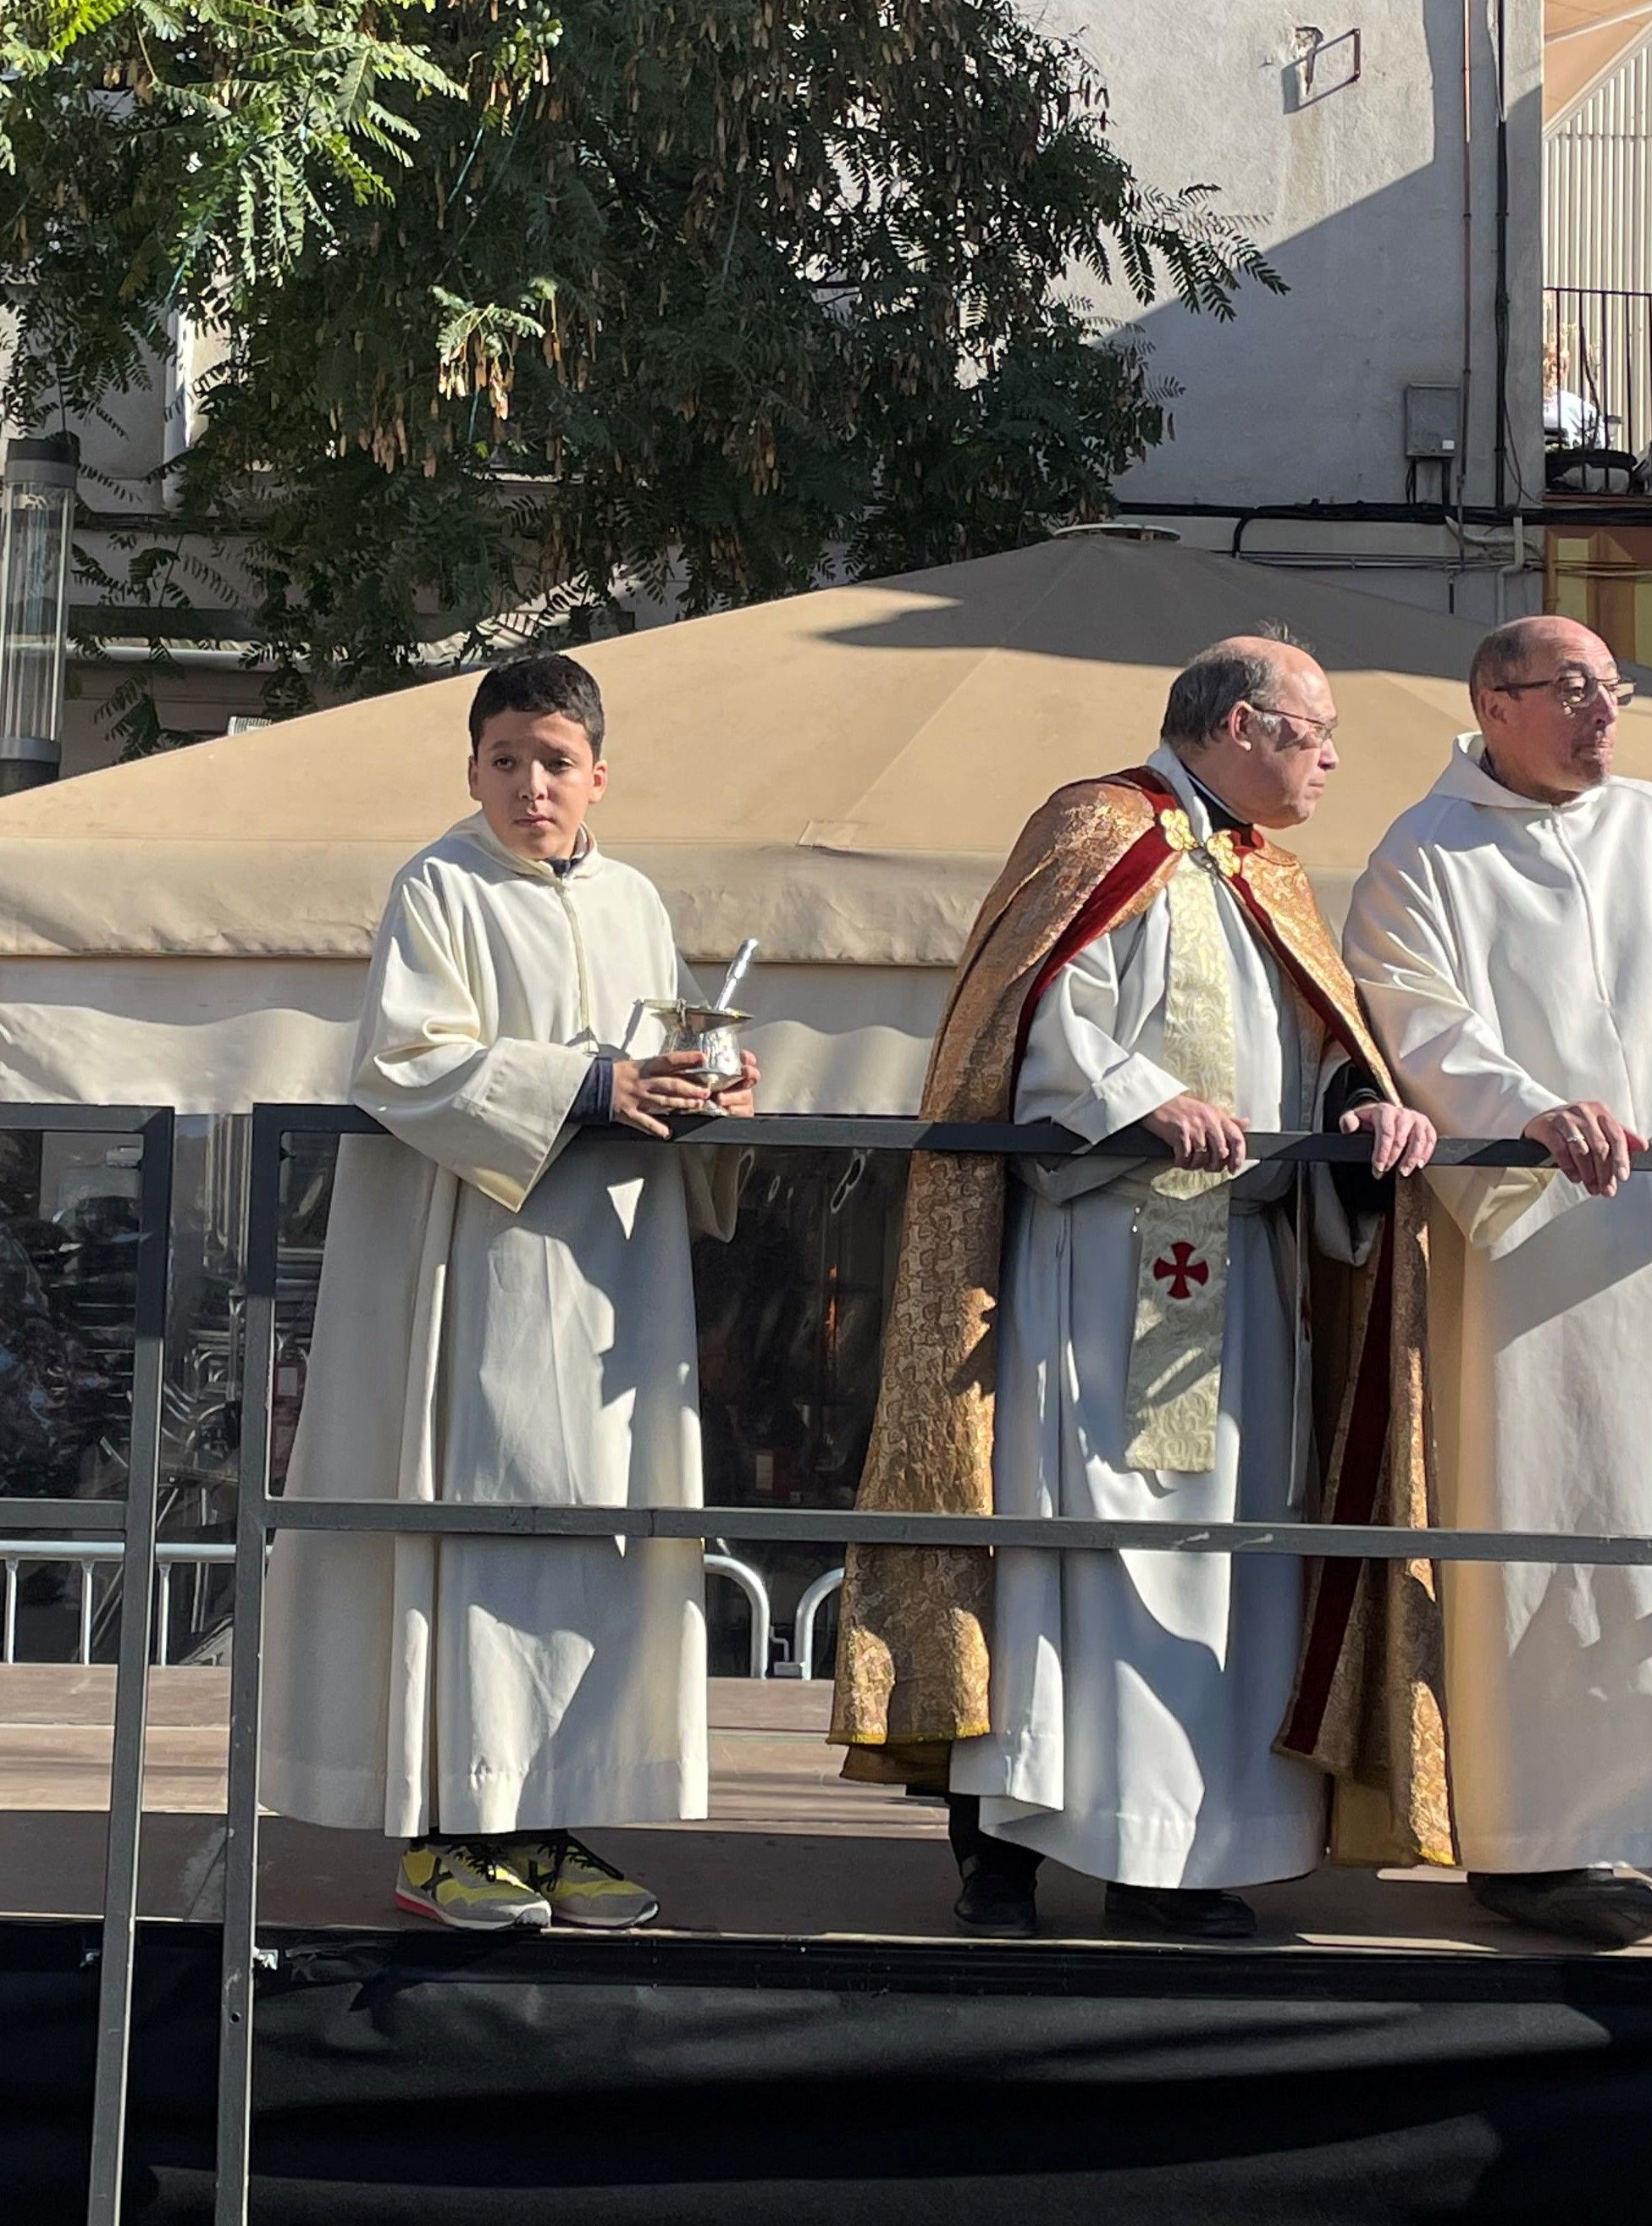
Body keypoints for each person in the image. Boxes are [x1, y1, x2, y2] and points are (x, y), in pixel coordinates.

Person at [832, 632, 1446, 1939]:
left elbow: (1312, 1046)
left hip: (1242, 1279)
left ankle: (1169, 1867)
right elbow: (1024, 1022)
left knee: (1221, 1566)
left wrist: (1361, 1113)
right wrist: (1136, 1097)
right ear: (1233, 724)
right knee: (1064, 1551)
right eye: (1312, 729)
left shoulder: (1268, 874)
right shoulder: (1096, 826)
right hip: (1095, 1268)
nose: (1332, 756)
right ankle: (999, 1851)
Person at [1343, 612, 1652, 1946]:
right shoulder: (1417, 856)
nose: (1603, 718)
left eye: (1611, 690)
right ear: (1492, 703)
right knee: (1548, 1525)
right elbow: (1415, 1024)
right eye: (1572, 692)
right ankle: (1526, 1837)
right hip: (1525, 1255)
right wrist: (1528, 1111)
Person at [258, 653, 757, 1934]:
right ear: (471, 769)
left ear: (599, 775)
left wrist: (708, 1085)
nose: (530, 786)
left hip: (606, 1280)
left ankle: (551, 1825)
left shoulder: (639, 899)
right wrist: (590, 1088)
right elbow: (404, 1059)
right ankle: (447, 1831)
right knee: (475, 1533)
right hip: (478, 1271)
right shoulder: (438, 885)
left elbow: (655, 1049)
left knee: (592, 1538)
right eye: (503, 762)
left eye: (554, 763)